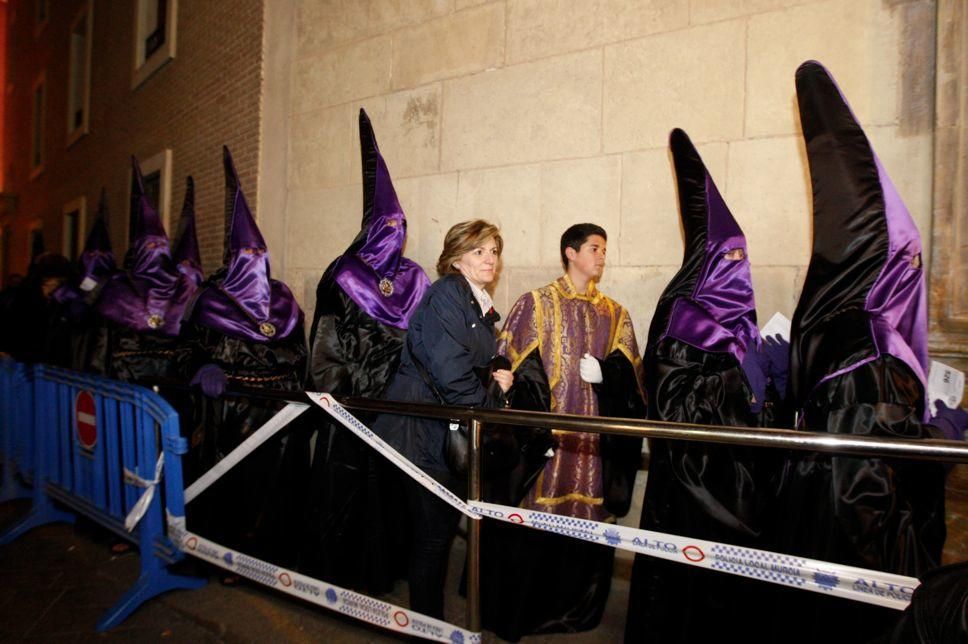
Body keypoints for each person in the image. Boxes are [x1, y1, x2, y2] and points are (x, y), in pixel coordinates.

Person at [772, 60, 967, 643]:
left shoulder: (846, 336)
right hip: (860, 555)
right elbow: (870, 484)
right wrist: (946, 434)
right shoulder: (870, 356)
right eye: (905, 266)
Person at [624, 128, 789, 644]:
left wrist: (774, 375)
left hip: (733, 477)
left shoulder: (738, 323)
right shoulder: (681, 315)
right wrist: (743, 381)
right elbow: (675, 406)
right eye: (731, 260)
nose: (742, 272)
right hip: (690, 483)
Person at [481, 222, 646, 641]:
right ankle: (523, 609)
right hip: (550, 443)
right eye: (594, 248)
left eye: (605, 250)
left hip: (591, 447)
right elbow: (510, 368)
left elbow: (634, 383)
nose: (601, 256)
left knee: (585, 521)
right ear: (570, 253)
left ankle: (574, 608)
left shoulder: (615, 313)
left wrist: (607, 374)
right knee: (534, 517)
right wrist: (536, 432)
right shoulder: (535, 304)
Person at [301, 109, 430, 592]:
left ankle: (383, 571)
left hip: (398, 409)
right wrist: (343, 395)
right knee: (345, 490)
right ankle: (337, 573)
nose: (396, 231)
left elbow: (423, 340)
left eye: (402, 223)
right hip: (352, 408)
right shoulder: (344, 273)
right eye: (387, 223)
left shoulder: (415, 277)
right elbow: (326, 344)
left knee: (390, 495)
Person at [372, 219, 512, 619]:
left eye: (494, 251)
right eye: (479, 251)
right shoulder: (448, 294)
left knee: (438, 535)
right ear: (456, 259)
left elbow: (470, 360)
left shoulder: (476, 302)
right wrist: (488, 411)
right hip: (421, 436)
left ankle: (429, 623)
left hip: (440, 433)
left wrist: (499, 373)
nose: (490, 259)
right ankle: (428, 626)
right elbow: (451, 374)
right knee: (433, 539)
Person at [182, 146, 308, 566]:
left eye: (260, 256)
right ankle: (227, 556)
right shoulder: (208, 302)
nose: (255, 263)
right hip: (229, 417)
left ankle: (270, 556)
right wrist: (204, 366)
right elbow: (186, 350)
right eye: (246, 257)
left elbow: (299, 350)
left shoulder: (283, 300)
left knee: (274, 490)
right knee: (233, 488)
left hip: (277, 414)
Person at [90, 158, 198, 381]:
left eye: (161, 246)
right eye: (150, 246)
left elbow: (193, 337)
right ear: (139, 250)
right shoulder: (118, 288)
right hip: (127, 376)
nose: (156, 251)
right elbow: (102, 342)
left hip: (171, 378)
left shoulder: (182, 285)